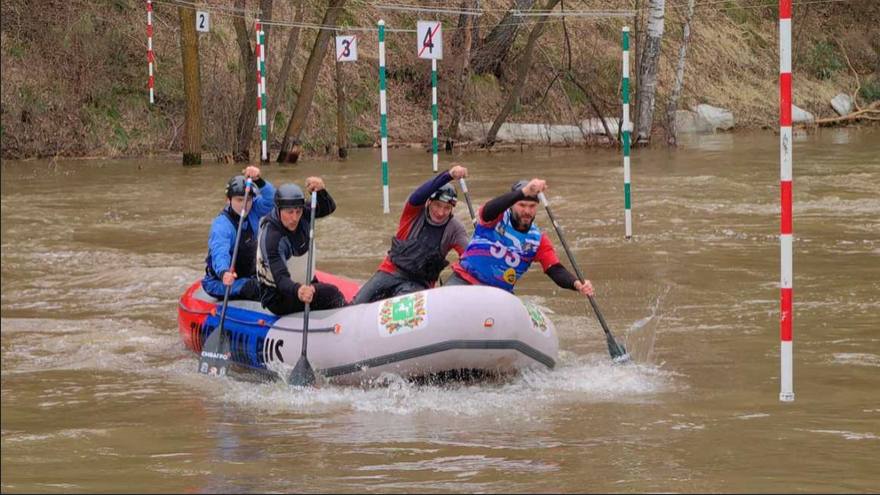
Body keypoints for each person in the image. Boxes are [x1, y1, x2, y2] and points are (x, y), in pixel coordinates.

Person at [445, 178, 595, 298]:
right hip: (463, 280)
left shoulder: (538, 240)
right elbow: (488, 210)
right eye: (522, 205)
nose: (527, 211)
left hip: (499, 294)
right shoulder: (496, 217)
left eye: (532, 206)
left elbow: (554, 269)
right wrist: (524, 191)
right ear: (511, 205)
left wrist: (577, 284)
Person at [352, 165, 470, 304]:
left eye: (447, 208)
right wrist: (448, 175)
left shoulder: (455, 229)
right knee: (357, 304)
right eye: (437, 205)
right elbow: (420, 193)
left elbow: (470, 259)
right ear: (429, 202)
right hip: (391, 271)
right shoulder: (413, 212)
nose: (441, 212)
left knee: (398, 311)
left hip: (420, 284)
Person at [256, 177, 346, 315]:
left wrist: (321, 191)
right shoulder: (272, 237)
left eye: (298, 211)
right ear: (279, 210)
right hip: (279, 295)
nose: (294, 218)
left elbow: (328, 208)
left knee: (324, 292)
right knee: (333, 294)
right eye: (289, 212)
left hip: (304, 282)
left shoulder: (303, 214)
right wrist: (299, 290)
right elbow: (280, 278)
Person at [201, 166, 275, 301]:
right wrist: (224, 272)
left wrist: (259, 181)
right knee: (256, 288)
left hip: (249, 275)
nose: (244, 205)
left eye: (248, 200)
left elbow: (272, 201)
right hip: (221, 282)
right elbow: (219, 251)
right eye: (239, 200)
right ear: (228, 200)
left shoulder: (254, 209)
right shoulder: (222, 225)